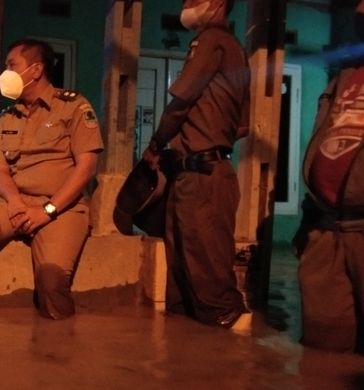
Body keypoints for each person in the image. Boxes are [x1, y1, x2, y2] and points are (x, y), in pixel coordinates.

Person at [0, 39, 104, 320]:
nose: (5, 73)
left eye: (11, 65)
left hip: (62, 208)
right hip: (14, 201)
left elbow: (87, 168)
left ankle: (56, 352)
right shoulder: (8, 117)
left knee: (51, 280)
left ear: (35, 70)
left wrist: (47, 211)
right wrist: (15, 202)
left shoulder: (74, 107)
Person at [140, 0, 251, 330]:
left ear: (216, 4)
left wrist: (156, 144)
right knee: (187, 282)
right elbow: (242, 126)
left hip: (201, 176)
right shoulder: (236, 50)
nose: (186, 5)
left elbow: (180, 103)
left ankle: (222, 362)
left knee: (210, 288)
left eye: (193, 0)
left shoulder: (210, 40)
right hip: (203, 172)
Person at [292, 0, 364, 354]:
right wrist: (308, 224)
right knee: (321, 356)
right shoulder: (346, 76)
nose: (361, 9)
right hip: (325, 229)